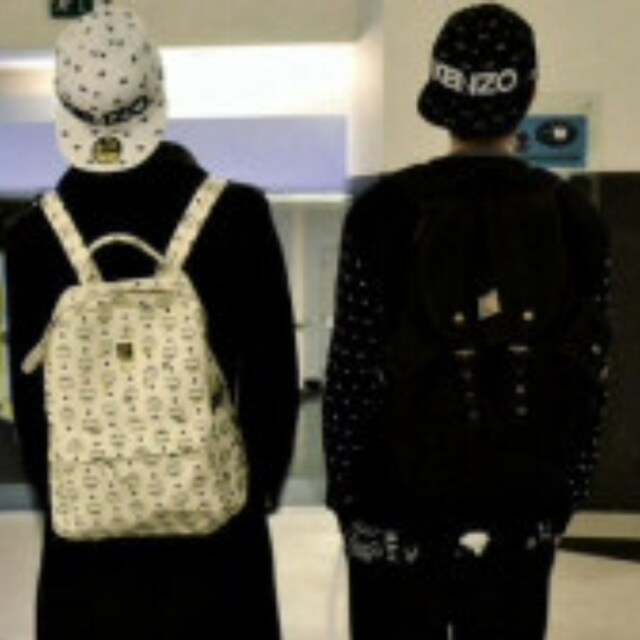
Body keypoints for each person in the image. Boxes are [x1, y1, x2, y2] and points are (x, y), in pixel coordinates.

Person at [5, 5, 298, 639]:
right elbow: (273, 381)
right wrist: (257, 494)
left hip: (87, 552)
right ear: (157, 89)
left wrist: (70, 497)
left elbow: (32, 410)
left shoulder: (32, 237)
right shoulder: (238, 214)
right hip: (216, 544)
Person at [323, 4, 610, 639]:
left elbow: (350, 378)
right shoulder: (576, 218)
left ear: (440, 95)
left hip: (396, 512)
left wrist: (348, 504)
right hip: (522, 511)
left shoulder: (380, 213)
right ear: (528, 94)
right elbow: (593, 375)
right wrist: (562, 502)